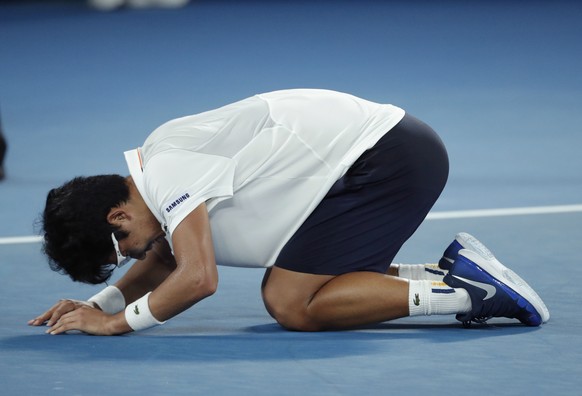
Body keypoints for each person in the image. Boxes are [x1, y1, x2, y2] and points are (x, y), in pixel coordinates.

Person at [29, 89, 549, 335]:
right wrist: (98, 303)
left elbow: (197, 277)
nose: (134, 256)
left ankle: (470, 293)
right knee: (296, 285)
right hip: (384, 153)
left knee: (291, 302)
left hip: (387, 159)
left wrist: (117, 323)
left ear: (117, 218)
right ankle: (447, 274)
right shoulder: (156, 168)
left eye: (121, 251)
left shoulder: (165, 175)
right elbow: (166, 256)